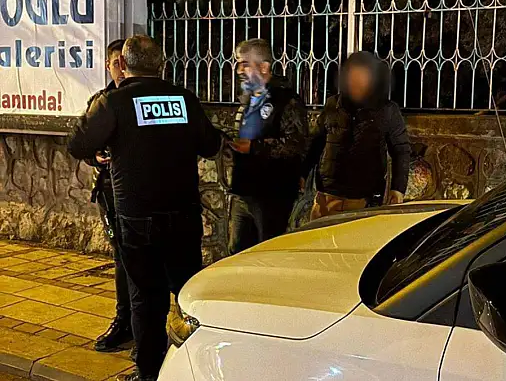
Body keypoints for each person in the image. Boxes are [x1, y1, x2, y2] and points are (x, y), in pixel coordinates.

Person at [67, 35, 222, 381]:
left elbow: (77, 143)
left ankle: (150, 373)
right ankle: (197, 367)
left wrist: (102, 149)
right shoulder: (184, 99)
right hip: (183, 215)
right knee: (190, 295)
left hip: (138, 219)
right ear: (161, 64)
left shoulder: (112, 102)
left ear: (123, 64)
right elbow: (211, 145)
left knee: (146, 300)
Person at [305, 51, 411, 219]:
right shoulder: (333, 104)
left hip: (363, 199)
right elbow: (316, 142)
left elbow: (401, 150)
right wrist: (303, 173)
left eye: (362, 77)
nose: (356, 82)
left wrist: (397, 189)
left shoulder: (387, 110)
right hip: (326, 196)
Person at [226, 39, 309, 255]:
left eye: (245, 64)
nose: (239, 70)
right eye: (238, 63)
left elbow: (296, 144)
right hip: (244, 191)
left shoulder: (286, 100)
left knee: (266, 254)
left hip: (272, 195)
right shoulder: (249, 100)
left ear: (263, 67)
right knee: (237, 254)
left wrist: (254, 147)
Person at [81, 39, 135, 354]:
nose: (122, 70)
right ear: (108, 65)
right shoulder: (100, 102)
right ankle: (124, 320)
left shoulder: (142, 99)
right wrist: (96, 157)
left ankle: (144, 324)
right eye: (117, 63)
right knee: (121, 257)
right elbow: (84, 145)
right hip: (110, 191)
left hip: (139, 192)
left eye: (126, 63)